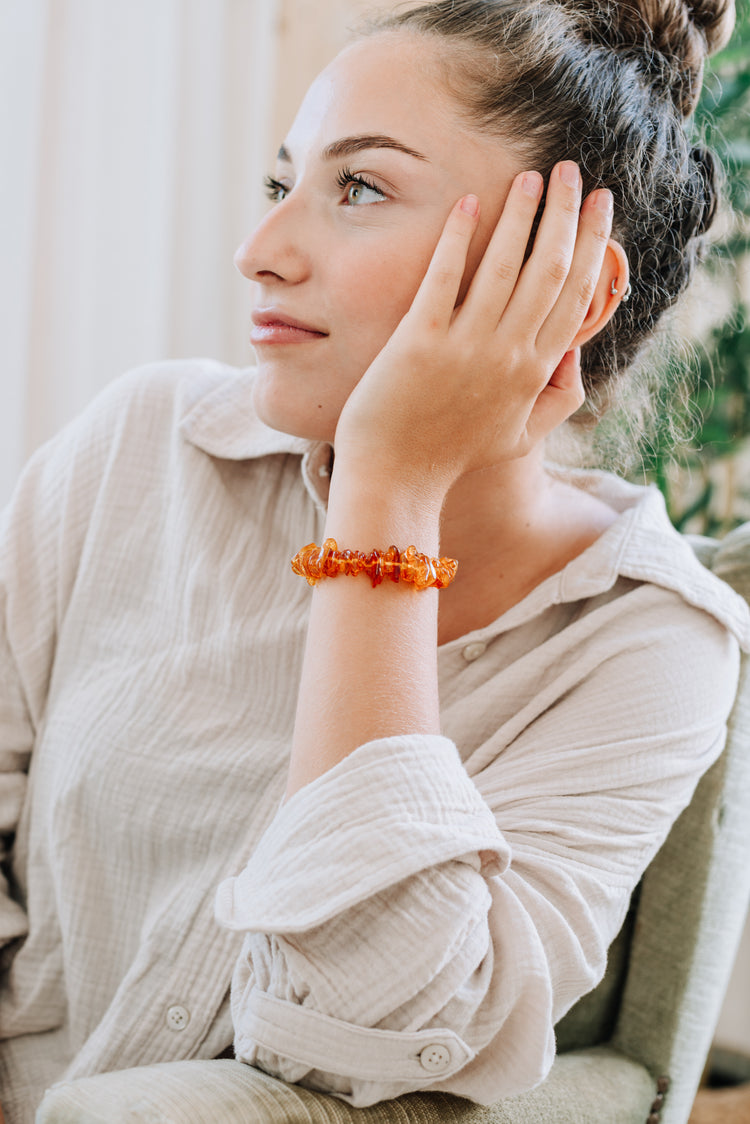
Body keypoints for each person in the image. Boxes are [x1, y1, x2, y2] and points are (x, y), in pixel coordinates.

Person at [1, 0, 748, 1120]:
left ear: (569, 284)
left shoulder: (649, 643)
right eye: (280, 183)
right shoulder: (136, 448)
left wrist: (389, 494)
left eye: (358, 188)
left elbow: (371, 1034)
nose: (261, 253)